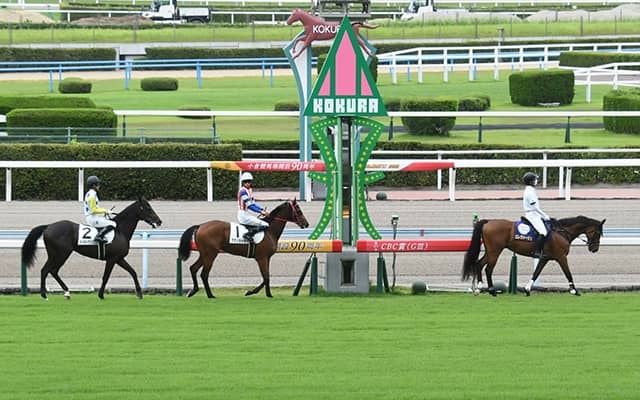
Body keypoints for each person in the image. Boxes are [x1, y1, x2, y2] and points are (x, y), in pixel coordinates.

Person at [522, 171, 550, 258]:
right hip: (532, 214)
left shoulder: (531, 190)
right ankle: (537, 252)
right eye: (535, 179)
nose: (536, 181)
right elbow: (535, 208)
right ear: (531, 182)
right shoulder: (529, 192)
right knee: (543, 232)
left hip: (534, 213)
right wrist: (544, 215)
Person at [237, 172, 269, 242]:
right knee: (265, 224)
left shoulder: (250, 190)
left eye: (249, 181)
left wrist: (261, 209)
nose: (247, 183)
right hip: (243, 215)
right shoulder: (243, 191)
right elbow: (250, 206)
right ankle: (247, 235)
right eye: (245, 182)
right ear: (243, 182)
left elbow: (253, 204)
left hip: (246, 214)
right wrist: (261, 212)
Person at [83, 175, 116, 244]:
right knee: (113, 224)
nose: (99, 186)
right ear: (93, 185)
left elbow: (96, 208)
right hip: (92, 219)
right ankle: (99, 236)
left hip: (92, 217)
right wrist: (105, 211)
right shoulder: (92, 195)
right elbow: (93, 210)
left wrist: (106, 211)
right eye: (98, 184)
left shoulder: (89, 193)